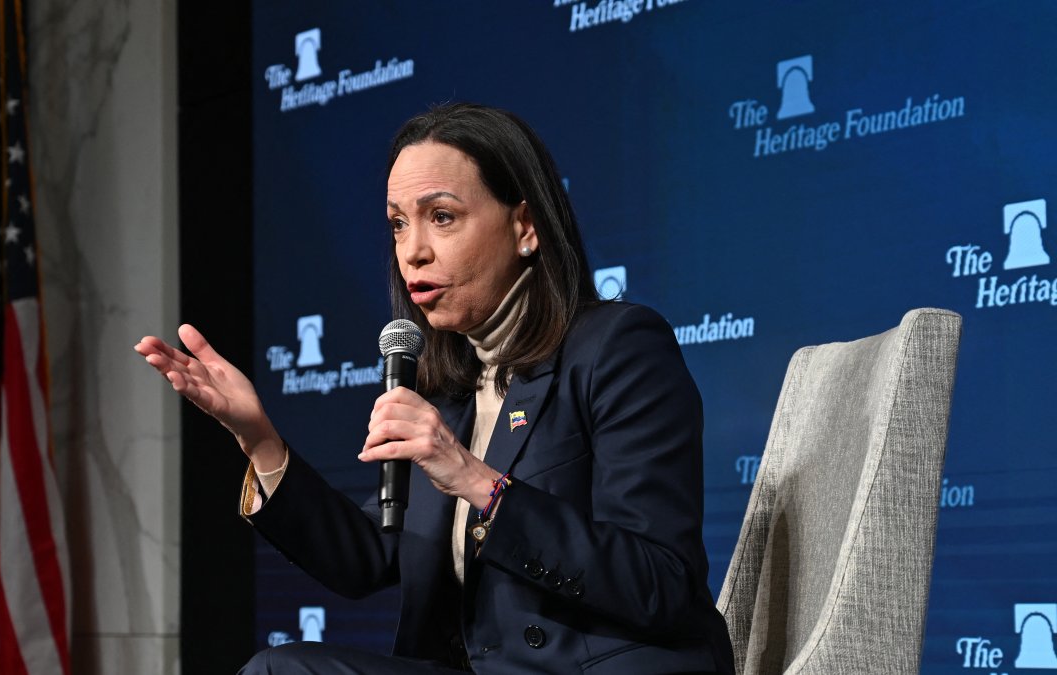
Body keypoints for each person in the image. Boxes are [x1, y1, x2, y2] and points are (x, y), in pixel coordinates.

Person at [136, 103, 735, 673]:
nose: (412, 252)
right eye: (398, 225)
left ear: (525, 226)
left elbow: (660, 583)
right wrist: (259, 437)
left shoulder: (618, 348)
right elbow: (368, 558)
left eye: (441, 217)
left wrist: (474, 479)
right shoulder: (446, 384)